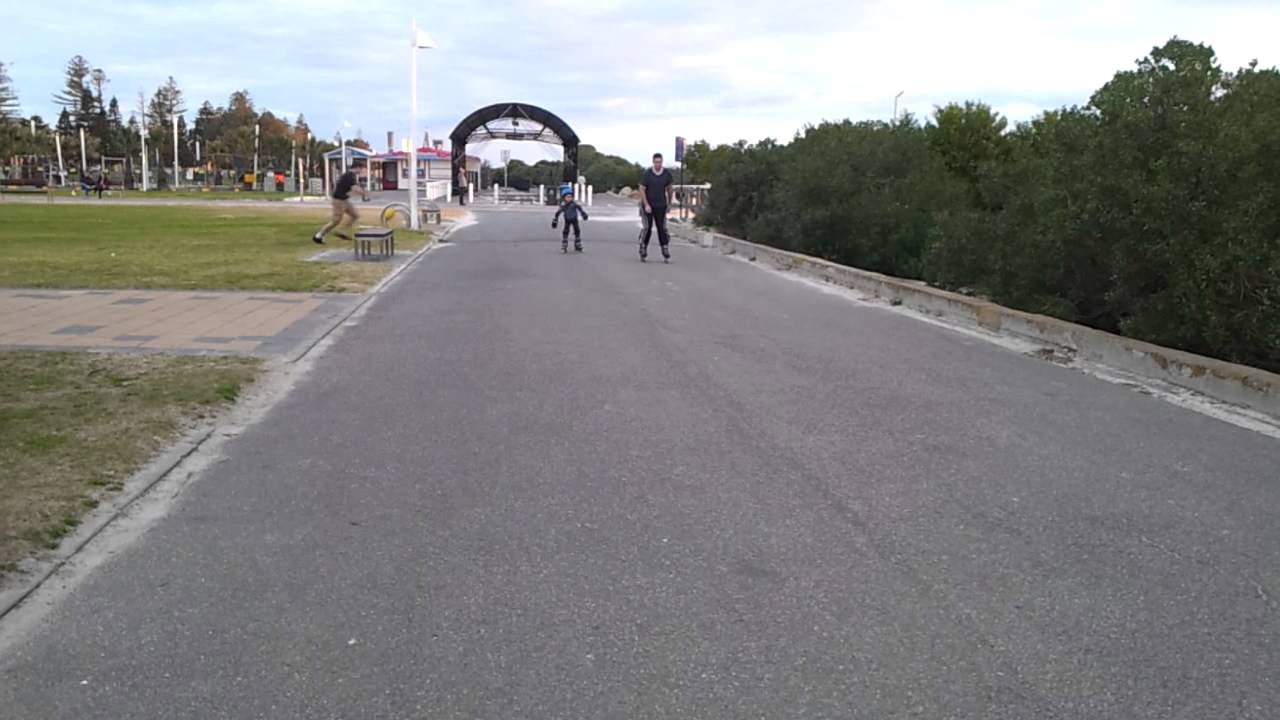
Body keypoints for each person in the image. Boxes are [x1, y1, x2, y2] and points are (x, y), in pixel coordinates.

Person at [312, 164, 368, 244]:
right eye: (361, 169)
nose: (361, 171)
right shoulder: (349, 176)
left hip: (345, 199)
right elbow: (354, 188)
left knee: (355, 215)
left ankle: (342, 231)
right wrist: (364, 194)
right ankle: (318, 236)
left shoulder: (351, 176)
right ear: (357, 168)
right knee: (336, 221)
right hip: (338, 200)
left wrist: (362, 193)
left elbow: (351, 189)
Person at [638, 152, 674, 262]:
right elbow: (642, 189)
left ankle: (665, 248)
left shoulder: (666, 174)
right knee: (647, 227)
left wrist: (669, 203)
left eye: (660, 162)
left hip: (661, 204)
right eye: (656, 162)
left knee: (661, 227)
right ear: (653, 162)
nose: (658, 164)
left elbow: (669, 189)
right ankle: (643, 246)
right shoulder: (647, 174)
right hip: (648, 205)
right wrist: (646, 204)